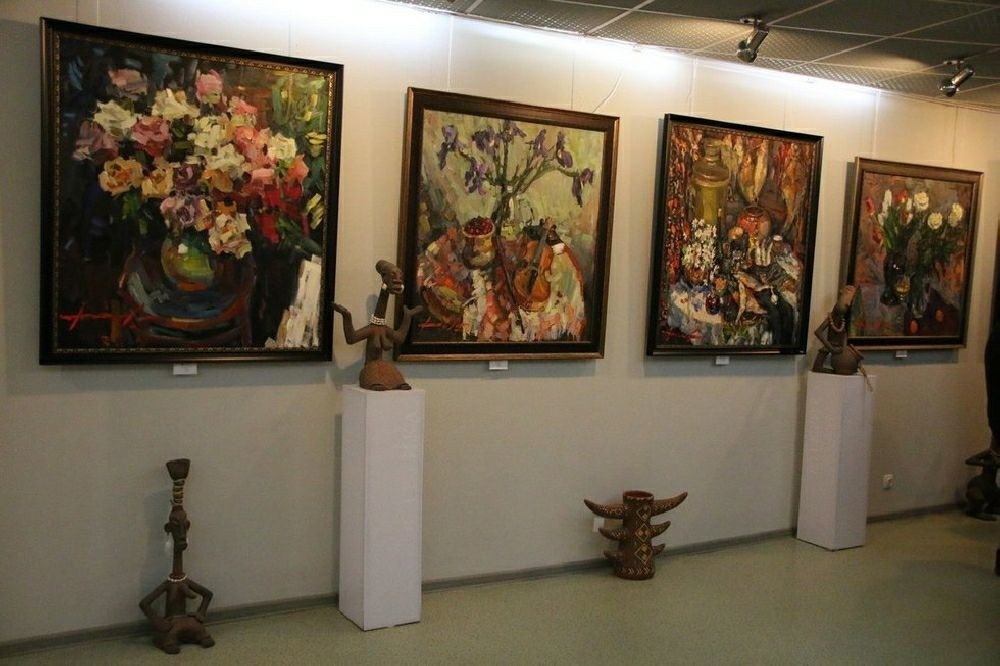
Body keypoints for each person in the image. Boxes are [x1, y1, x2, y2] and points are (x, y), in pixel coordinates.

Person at [334, 260, 422, 390]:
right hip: (370, 367)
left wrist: (407, 317)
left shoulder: (382, 329)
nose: (397, 279)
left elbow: (399, 338)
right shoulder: (372, 329)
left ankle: (393, 382)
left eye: (399, 275)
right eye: (392, 275)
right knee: (374, 372)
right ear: (384, 276)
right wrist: (346, 317)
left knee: (393, 373)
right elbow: (351, 338)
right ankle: (376, 382)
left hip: (383, 366)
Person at [812, 284, 863, 375]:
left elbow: (844, 333)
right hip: (832, 344)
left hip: (839, 347)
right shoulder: (831, 318)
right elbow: (818, 332)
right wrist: (831, 348)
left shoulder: (842, 320)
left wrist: (844, 346)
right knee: (818, 365)